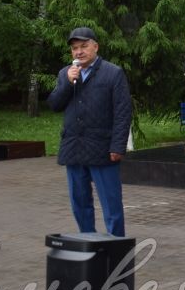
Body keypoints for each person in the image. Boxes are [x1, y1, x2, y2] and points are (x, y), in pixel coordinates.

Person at [48, 27, 133, 236]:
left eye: (84, 46)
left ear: (95, 46)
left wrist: (117, 146)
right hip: (74, 149)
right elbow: (54, 104)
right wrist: (67, 83)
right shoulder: (65, 74)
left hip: (102, 149)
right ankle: (88, 241)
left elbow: (123, 113)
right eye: (75, 48)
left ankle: (116, 247)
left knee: (111, 205)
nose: (79, 52)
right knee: (80, 203)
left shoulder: (113, 73)